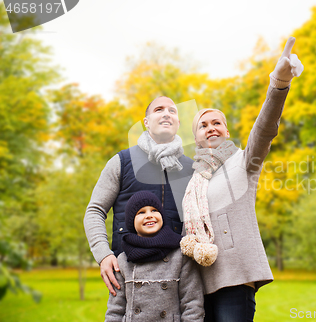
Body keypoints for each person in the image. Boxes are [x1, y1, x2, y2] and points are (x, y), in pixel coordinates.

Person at [179, 37, 304, 322]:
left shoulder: (244, 162)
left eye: (217, 123)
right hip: (198, 284)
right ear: (196, 136)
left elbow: (264, 129)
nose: (210, 128)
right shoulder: (193, 180)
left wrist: (279, 83)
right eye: (203, 125)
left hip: (235, 280)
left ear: (225, 130)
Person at [84, 96, 194, 296]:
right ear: (146, 122)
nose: (166, 113)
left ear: (178, 123)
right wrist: (103, 255)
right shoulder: (121, 161)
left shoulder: (191, 168)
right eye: (159, 109)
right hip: (129, 271)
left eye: (172, 110)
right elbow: (95, 210)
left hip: (179, 274)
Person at [105, 190, 204, 322]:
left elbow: (192, 303)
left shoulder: (180, 255)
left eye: (154, 210)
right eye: (141, 212)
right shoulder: (123, 260)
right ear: (131, 221)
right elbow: (115, 310)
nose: (149, 215)